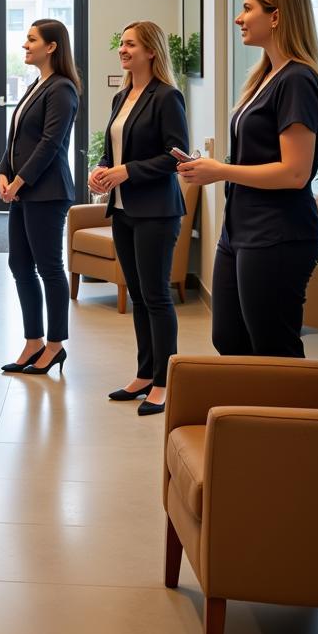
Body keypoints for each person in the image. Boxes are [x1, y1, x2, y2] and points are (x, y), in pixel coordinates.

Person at [179, 0, 318, 358]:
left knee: (273, 349)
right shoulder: (265, 76)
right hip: (241, 230)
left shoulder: (297, 80)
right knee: (229, 339)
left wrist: (221, 171)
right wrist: (211, 168)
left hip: (277, 234)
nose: (238, 18)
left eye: (248, 9)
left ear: (276, 17)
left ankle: (286, 419)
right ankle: (250, 416)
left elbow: (295, 173)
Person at [90, 21, 189, 415]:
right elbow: (110, 148)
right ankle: (144, 373)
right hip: (123, 209)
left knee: (157, 296)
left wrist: (127, 171)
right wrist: (100, 170)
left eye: (130, 44)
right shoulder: (122, 96)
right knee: (138, 295)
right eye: (121, 44)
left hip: (157, 211)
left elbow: (175, 155)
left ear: (151, 51)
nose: (123, 50)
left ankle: (165, 382)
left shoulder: (167, 97)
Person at [0, 20, 81, 376]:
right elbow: (16, 138)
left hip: (47, 192)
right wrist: (2, 173)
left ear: (51, 47)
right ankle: (33, 341)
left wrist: (18, 181)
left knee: (48, 267)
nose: (24, 45)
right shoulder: (37, 85)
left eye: (31, 40)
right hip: (23, 191)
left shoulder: (62, 89)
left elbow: (50, 144)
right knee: (20, 265)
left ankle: (55, 344)